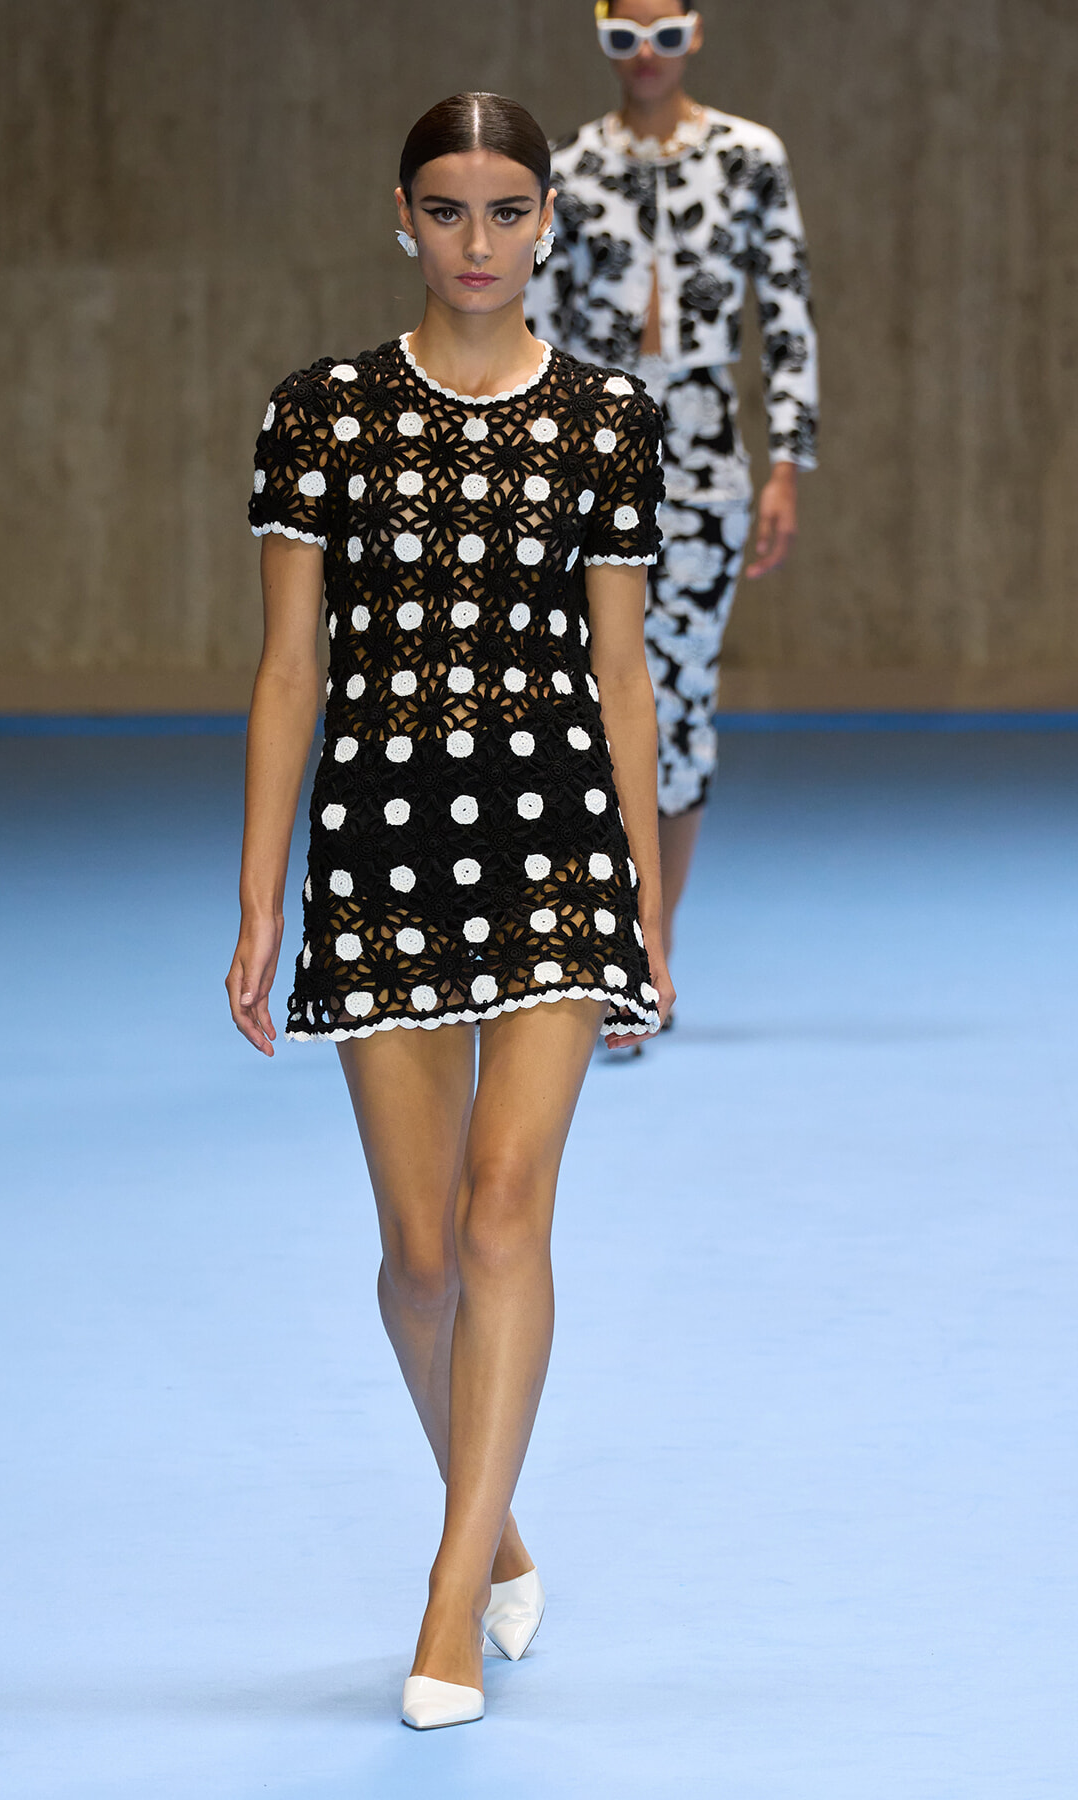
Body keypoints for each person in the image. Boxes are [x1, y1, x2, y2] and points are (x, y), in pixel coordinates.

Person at [226, 92, 674, 1730]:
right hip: (381, 851)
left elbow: (624, 678)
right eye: (447, 209)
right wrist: (262, 892)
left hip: (554, 849)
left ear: (548, 218)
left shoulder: (611, 420)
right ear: (399, 217)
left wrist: (642, 907)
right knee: (418, 1260)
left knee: (502, 1219)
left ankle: (446, 1591)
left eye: (507, 210)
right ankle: (499, 1526)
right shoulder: (317, 415)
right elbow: (290, 670)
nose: (476, 242)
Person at [527, 0, 819, 972]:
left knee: (682, 699)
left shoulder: (749, 156)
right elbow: (528, 323)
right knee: (583, 695)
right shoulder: (567, 168)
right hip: (586, 455)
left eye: (662, 34)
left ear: (696, 33)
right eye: (622, 37)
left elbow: (786, 310)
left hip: (702, 461)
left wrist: (788, 463)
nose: (644, 56)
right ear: (600, 37)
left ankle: (653, 941)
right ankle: (595, 933)